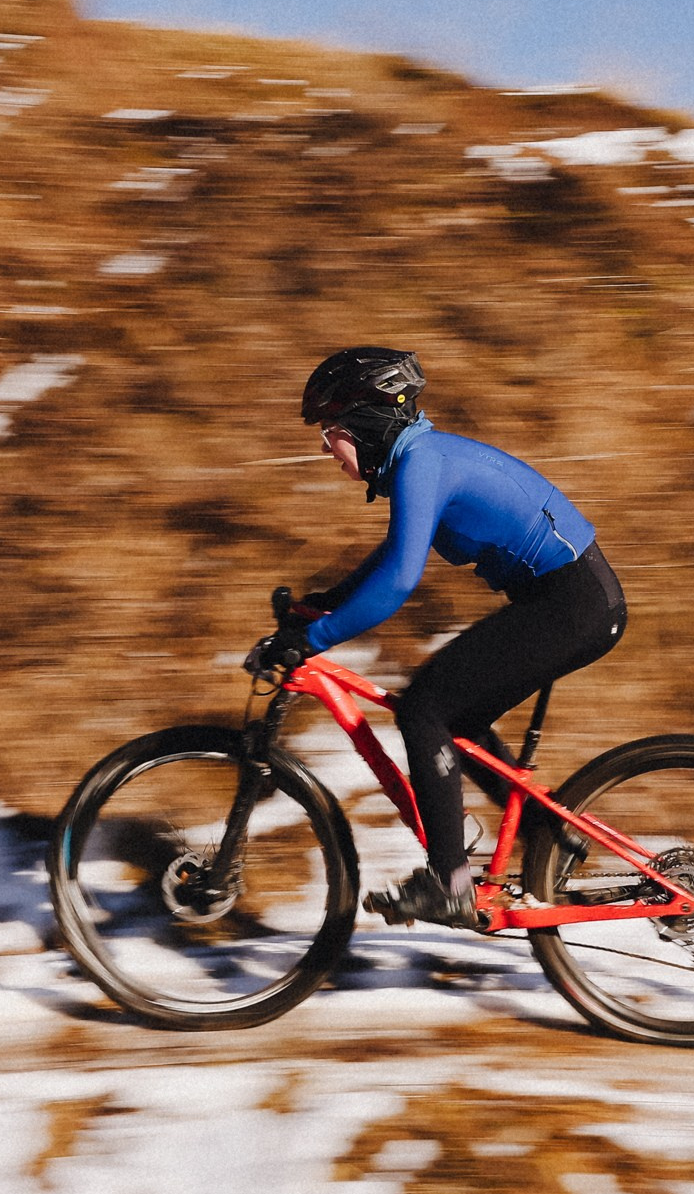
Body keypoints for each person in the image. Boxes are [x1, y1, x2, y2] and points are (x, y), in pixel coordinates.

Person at [247, 347, 628, 929]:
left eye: (332, 434)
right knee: (453, 713)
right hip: (566, 600)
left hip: (573, 604)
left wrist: (314, 638)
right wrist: (325, 604)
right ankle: (546, 837)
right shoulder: (418, 460)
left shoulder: (423, 462)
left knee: (425, 706)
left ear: (369, 423)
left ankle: (450, 883)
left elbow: (400, 580)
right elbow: (394, 555)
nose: (326, 450)